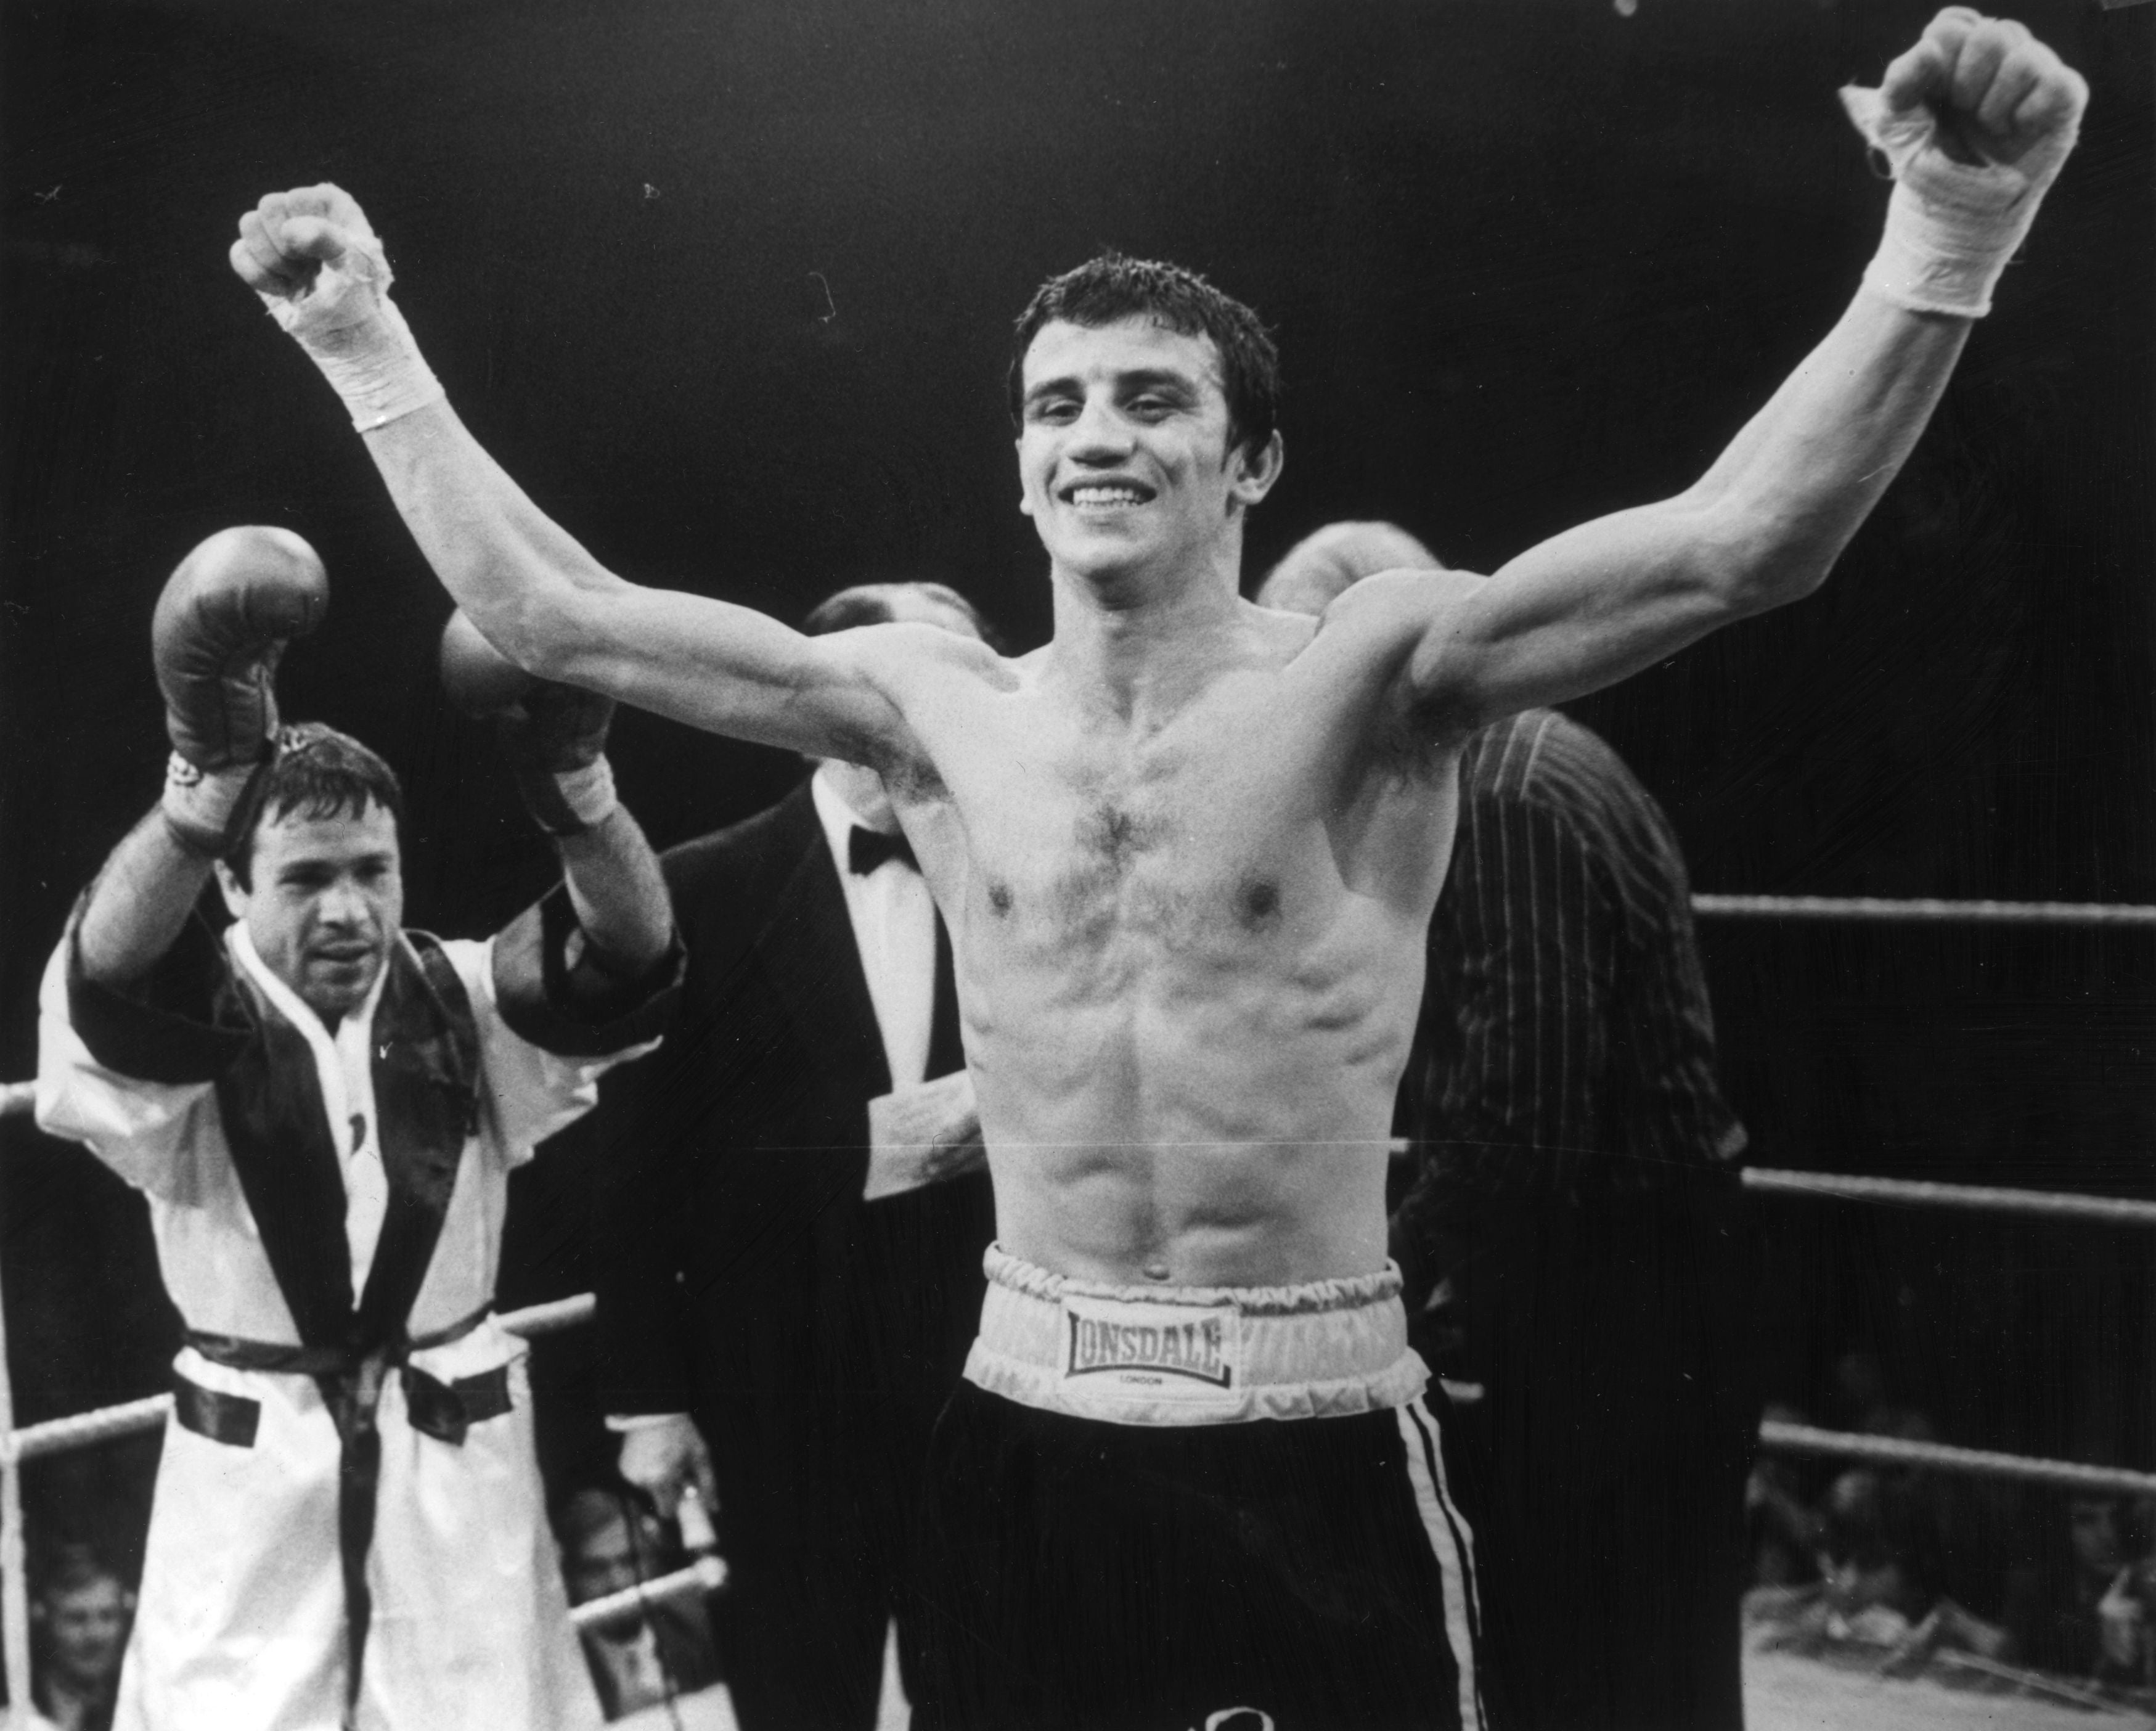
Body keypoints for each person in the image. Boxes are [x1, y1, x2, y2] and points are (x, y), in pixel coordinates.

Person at [228, 15, 2085, 1724]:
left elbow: (1734, 549)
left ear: (1247, 459)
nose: (1095, 434)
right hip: (1026, 1418)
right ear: (1017, 465)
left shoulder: (1376, 678)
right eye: (1055, 405)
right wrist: (359, 335)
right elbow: (552, 612)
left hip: (1311, 1430)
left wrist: (1946, 225)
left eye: (1147, 398)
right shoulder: (925, 703)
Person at [35, 528, 681, 1731]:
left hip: (454, 1469)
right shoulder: (191, 1016)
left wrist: (579, 792)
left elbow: (623, 965)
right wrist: (201, 793)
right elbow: (107, 998)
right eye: (305, 876)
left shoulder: (457, 994)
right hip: (256, 1479)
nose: (347, 909)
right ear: (233, 887)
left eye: (371, 872)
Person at [1259, 520, 1757, 1730]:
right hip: (1647, 1289)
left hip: (1599, 1312)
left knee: (1573, 1660)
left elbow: (1521, 1122)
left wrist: (1411, 1313)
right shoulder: (1528, 763)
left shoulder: (1498, 796)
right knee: (1660, 1659)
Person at [594, 581, 997, 1730]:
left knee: (994, 1692)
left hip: (985, 1378)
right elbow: (634, 1166)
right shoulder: (695, 888)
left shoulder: (1028, 874)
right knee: (794, 1699)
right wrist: (647, 1403)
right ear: (807, 702)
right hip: (776, 1384)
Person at [557, 1487, 723, 1721]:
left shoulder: (695, 1632)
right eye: (595, 1569)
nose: (618, 1582)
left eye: (629, 1561)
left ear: (651, 1561)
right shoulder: (560, 1667)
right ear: (570, 1577)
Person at [29, 1545, 131, 1731]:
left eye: (108, 1616)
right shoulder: (17, 1703)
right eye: (76, 1619)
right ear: (44, 1622)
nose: (95, 1635)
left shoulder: (137, 1699)